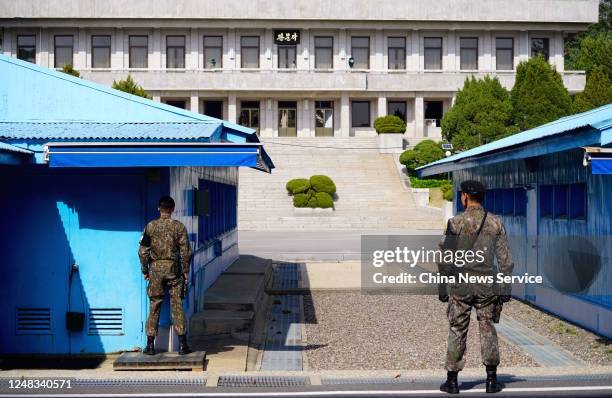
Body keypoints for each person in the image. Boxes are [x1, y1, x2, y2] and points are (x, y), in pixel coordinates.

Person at [438, 180, 514, 394]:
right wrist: (505, 288)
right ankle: (491, 380)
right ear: (482, 197)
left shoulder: (455, 223)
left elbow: (445, 258)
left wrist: (442, 286)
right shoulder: (495, 223)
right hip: (487, 286)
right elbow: (505, 260)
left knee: (457, 329)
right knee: (487, 327)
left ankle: (452, 381)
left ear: (464, 197)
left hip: (461, 285)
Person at [138, 195, 192, 356]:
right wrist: (185, 270)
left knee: (154, 305)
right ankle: (182, 345)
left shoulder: (150, 226)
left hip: (155, 270)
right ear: (173, 209)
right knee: (177, 304)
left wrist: (145, 270)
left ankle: (149, 346)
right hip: (173, 269)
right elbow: (185, 251)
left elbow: (142, 251)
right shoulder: (179, 227)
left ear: (158, 209)